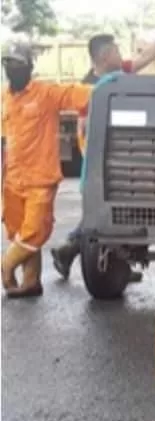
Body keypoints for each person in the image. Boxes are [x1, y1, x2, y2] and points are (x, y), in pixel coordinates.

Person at [51, 28, 155, 281]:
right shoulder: (89, 88)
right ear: (106, 56)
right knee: (104, 213)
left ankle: (114, 265)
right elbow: (84, 130)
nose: (122, 55)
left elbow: (146, 57)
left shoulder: (120, 74)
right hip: (101, 162)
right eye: (117, 51)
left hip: (124, 155)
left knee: (119, 212)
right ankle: (71, 249)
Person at [1, 42, 92, 298]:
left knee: (33, 232)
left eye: (17, 63)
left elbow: (84, 94)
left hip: (40, 179)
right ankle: (31, 282)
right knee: (20, 235)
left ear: (30, 66)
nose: (12, 68)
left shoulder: (46, 93)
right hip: (13, 180)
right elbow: (5, 141)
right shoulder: (5, 97)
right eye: (7, 63)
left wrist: (114, 86)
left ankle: (5, 266)